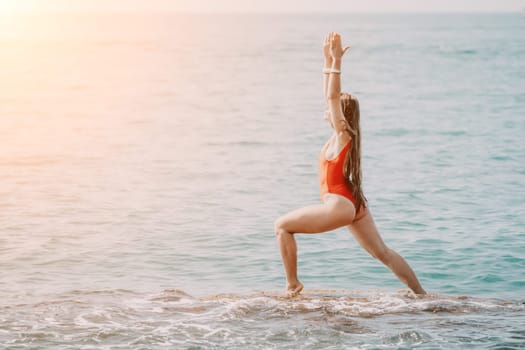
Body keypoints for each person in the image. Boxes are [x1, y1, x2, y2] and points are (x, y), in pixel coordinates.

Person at [274, 32, 426, 297]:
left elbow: (332, 98)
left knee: (282, 226)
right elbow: (329, 97)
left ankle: (292, 284)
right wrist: (326, 62)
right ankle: (421, 294)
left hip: (340, 205)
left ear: (341, 115)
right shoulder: (341, 137)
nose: (325, 108)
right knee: (383, 253)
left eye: (331, 108)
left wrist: (336, 64)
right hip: (353, 204)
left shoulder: (343, 134)